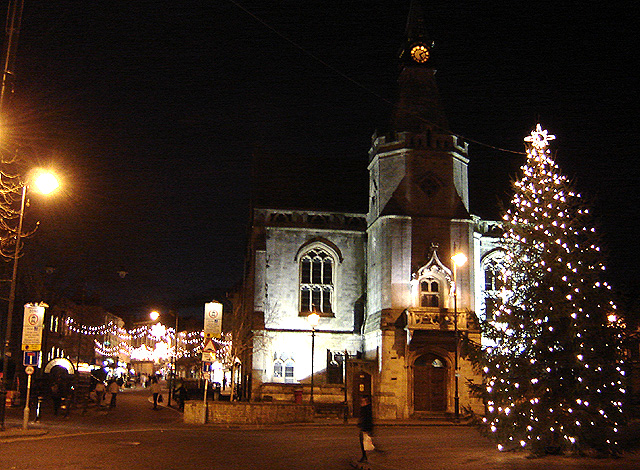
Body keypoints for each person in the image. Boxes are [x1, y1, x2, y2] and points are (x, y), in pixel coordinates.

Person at [358, 395, 374, 463]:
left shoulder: (367, 408)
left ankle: (365, 456)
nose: (361, 402)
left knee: (365, 443)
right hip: (364, 428)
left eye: (363, 401)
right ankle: (364, 456)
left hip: (366, 428)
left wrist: (368, 429)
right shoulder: (365, 408)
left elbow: (368, 419)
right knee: (364, 443)